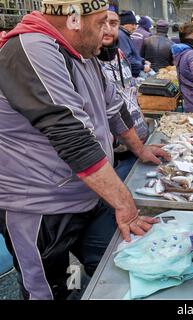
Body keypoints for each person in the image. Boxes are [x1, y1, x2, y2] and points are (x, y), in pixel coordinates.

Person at [0, 0, 170, 300]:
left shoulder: (83, 55)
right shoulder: (32, 49)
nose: (108, 32)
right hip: (39, 206)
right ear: (75, 20)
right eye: (101, 22)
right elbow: (70, 134)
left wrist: (140, 150)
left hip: (85, 196)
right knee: (49, 289)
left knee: (87, 272)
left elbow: (115, 108)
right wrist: (123, 203)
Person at [98, 7, 151, 180]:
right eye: (101, 23)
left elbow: (129, 90)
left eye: (113, 23)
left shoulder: (120, 54)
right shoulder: (88, 62)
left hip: (137, 139)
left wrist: (142, 119)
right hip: (116, 149)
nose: (107, 29)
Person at [118, 10, 151, 78]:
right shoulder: (121, 35)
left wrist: (143, 61)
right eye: (132, 24)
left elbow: (134, 55)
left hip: (135, 69)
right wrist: (142, 67)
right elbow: (126, 58)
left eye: (136, 24)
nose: (135, 27)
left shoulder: (126, 34)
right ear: (124, 24)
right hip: (132, 72)